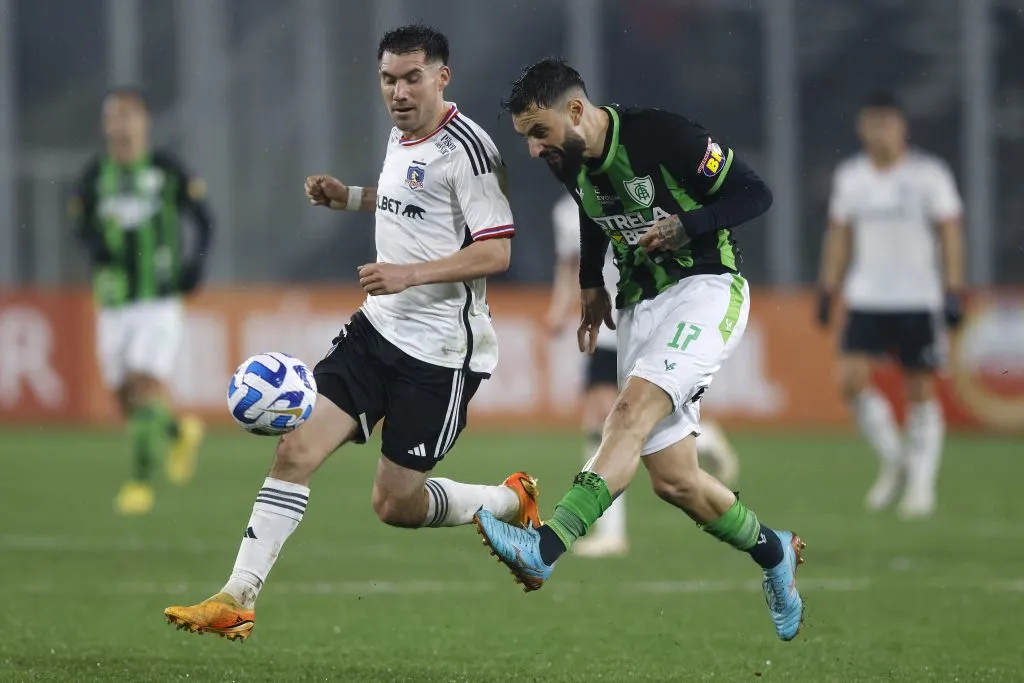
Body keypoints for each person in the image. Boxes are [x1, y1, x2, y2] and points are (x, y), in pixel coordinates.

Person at [163, 24, 538, 642]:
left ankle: (506, 501)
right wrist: (350, 198)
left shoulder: (471, 151)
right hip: (376, 332)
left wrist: (408, 274)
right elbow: (409, 202)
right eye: (388, 79)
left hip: (441, 356)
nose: (398, 91)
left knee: (394, 505)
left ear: (442, 77)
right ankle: (238, 596)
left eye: (412, 77)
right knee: (295, 450)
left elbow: (496, 252)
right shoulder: (403, 134)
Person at [473, 58, 806, 642]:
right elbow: (588, 209)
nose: (533, 149)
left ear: (576, 111)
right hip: (637, 307)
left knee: (623, 413)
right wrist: (589, 284)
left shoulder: (663, 134)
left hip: (705, 289)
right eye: (526, 137)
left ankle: (543, 548)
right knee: (675, 481)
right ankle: (773, 549)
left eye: (539, 132)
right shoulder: (568, 157)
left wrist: (689, 225)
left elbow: (757, 194)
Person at [546, 193, 741, 557]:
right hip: (606, 324)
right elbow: (569, 265)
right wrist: (559, 308)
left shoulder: (636, 190)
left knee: (625, 424)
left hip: (644, 315)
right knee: (605, 420)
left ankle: (610, 530)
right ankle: (612, 531)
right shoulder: (565, 213)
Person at [816, 90, 965, 519]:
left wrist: (954, 290)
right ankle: (896, 461)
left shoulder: (929, 175)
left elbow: (951, 233)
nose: (879, 132)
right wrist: (828, 288)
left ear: (903, 127)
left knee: (920, 389)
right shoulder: (852, 177)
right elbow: (840, 236)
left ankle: (921, 485)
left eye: (887, 122)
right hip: (867, 296)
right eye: (871, 123)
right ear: (862, 128)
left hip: (918, 297)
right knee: (849, 381)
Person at [69, 86, 212, 516]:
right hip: (112, 300)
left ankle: (140, 483)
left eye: (129, 116)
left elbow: (204, 219)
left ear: (144, 122)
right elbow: (79, 223)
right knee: (124, 395)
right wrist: (94, 243)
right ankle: (179, 430)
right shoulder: (95, 174)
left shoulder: (166, 170)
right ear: (105, 125)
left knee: (146, 384)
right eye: (114, 117)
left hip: (159, 299)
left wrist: (196, 265)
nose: (121, 125)